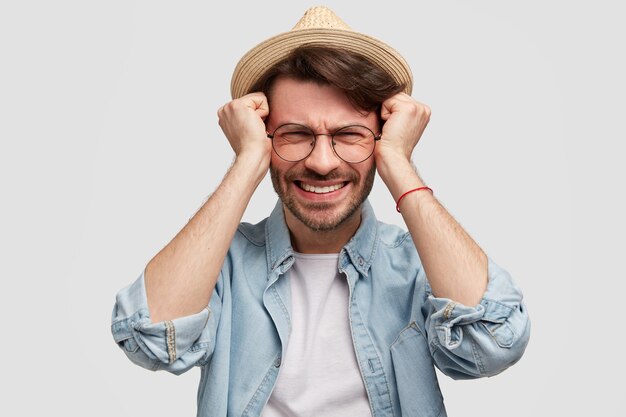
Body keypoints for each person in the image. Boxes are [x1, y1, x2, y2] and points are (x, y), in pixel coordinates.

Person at [111, 6, 530, 417]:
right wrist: (245, 163)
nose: (323, 162)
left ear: (381, 140)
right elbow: (149, 338)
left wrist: (400, 164)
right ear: (264, 136)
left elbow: (493, 346)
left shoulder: (418, 262)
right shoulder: (225, 263)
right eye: (295, 135)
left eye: (350, 134)